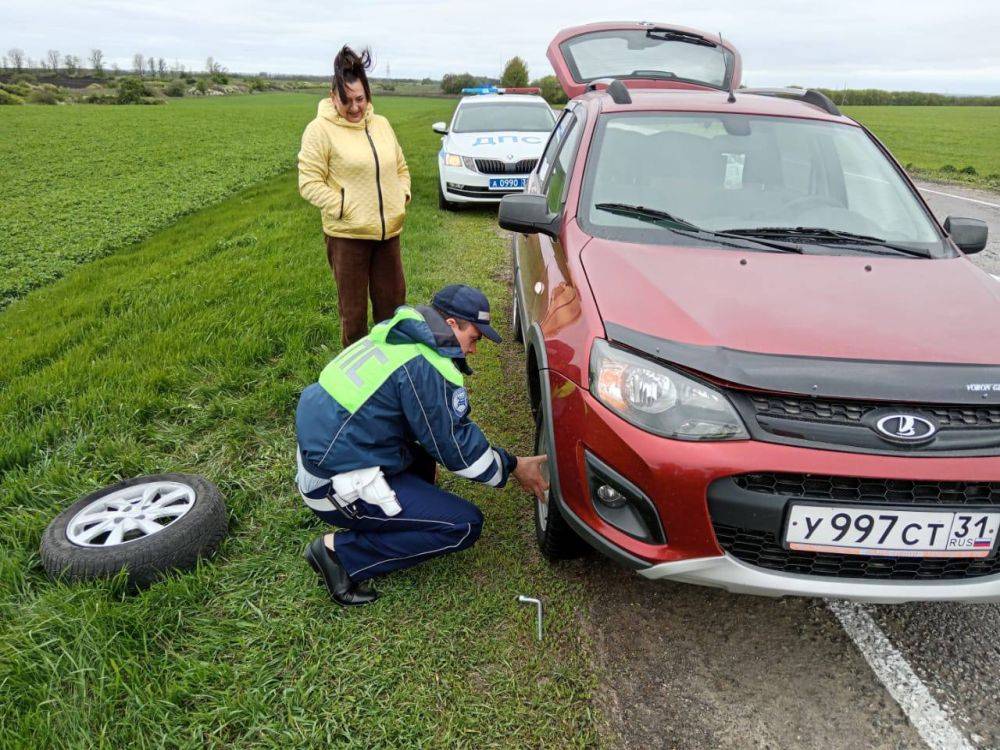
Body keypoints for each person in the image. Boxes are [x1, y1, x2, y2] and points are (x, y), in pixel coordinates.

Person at [295, 285, 549, 606]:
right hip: (332, 487)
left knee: (425, 458)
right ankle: (338, 554)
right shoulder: (425, 366)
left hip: (328, 454)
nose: (473, 351)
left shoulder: (399, 336)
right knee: (463, 524)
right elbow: (457, 452)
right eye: (475, 338)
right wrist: (512, 465)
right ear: (453, 324)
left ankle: (398, 509)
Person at [298, 46, 411, 348]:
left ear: (367, 94)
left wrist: (402, 196)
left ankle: (392, 377)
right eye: (346, 100)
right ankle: (356, 386)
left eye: (360, 99)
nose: (354, 107)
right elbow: (308, 182)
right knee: (354, 318)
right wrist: (345, 207)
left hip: (389, 235)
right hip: (348, 237)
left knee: (393, 314)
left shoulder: (382, 125)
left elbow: (401, 167)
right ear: (332, 96)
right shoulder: (319, 131)